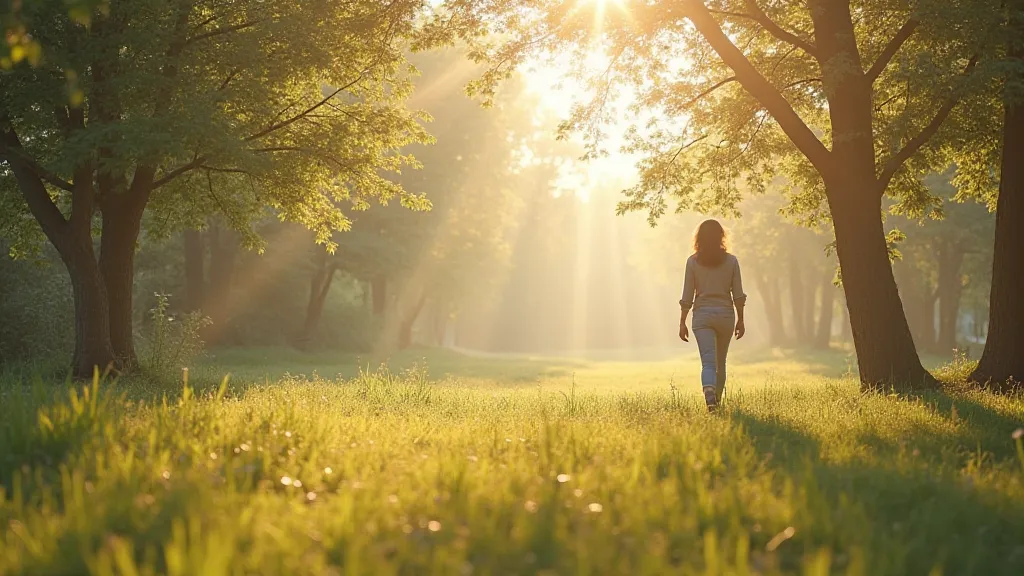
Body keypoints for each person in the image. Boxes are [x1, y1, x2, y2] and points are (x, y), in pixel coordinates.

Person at [678, 219, 746, 411]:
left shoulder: (692, 262)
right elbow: (738, 294)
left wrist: (682, 321)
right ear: (721, 237)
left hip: (702, 316)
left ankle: (710, 396)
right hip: (725, 315)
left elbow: (687, 295)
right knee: (720, 362)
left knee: (708, 362)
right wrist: (741, 319)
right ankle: (716, 401)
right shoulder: (731, 261)